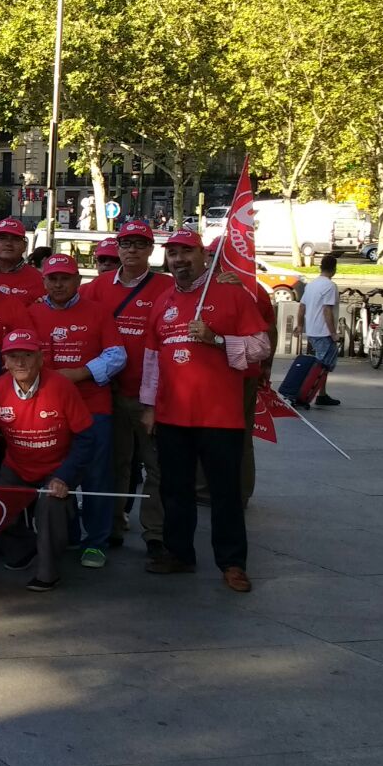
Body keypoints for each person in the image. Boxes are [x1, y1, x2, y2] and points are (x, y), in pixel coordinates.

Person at [140, 229, 270, 593]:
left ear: (202, 255)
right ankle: (179, 553)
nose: (179, 260)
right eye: (173, 254)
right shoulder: (162, 301)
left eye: (186, 253)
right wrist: (149, 407)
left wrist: (217, 339)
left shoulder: (231, 295)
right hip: (171, 416)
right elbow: (152, 360)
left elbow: (261, 346)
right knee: (174, 489)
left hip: (220, 416)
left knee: (224, 493)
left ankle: (232, 563)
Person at [0, 329, 96, 592]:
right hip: (16, 464)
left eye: (27, 355)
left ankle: (48, 572)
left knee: (50, 505)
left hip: (57, 466)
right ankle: (24, 549)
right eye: (13, 356)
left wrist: (66, 476)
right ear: (4, 362)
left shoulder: (62, 387)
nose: (20, 363)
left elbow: (86, 438)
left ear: (40, 358)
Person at [81, 218, 174, 553]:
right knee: (116, 463)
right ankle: (114, 524)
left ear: (151, 249)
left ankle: (155, 533)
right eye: (126, 244)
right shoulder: (97, 287)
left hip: (152, 396)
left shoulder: (167, 286)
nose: (132, 250)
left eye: (139, 244)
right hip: (110, 393)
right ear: (117, 248)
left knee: (156, 467)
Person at [28, 254, 125, 569]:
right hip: (49, 411)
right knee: (58, 473)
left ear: (78, 281)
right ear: (44, 281)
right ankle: (67, 534)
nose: (58, 284)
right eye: (52, 278)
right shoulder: (31, 313)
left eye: (65, 278)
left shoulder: (97, 312)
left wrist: (81, 373)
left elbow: (116, 355)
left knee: (96, 475)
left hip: (92, 406)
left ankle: (96, 542)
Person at [295, 253, 341, 407]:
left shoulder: (312, 284)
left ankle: (321, 393)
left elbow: (302, 306)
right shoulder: (330, 286)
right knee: (322, 366)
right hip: (323, 332)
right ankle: (307, 393)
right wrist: (333, 333)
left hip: (312, 330)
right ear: (334, 269)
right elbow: (327, 311)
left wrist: (300, 325)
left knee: (322, 365)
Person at [0, 217, 46, 303]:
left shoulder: (40, 280)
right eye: (2, 238)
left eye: (15, 239)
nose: (8, 243)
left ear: (25, 246)